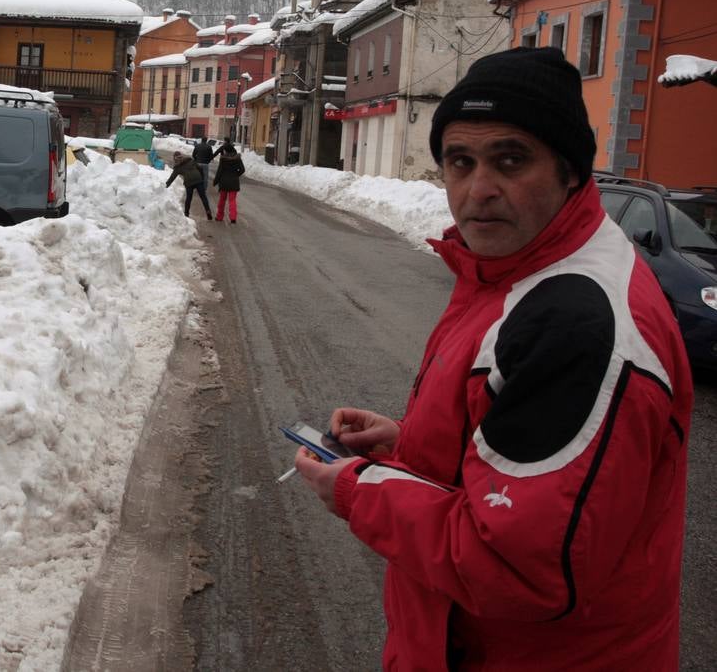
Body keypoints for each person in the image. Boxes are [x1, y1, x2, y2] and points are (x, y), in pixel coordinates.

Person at [292, 47, 692, 670]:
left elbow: (517, 565)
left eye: (511, 159)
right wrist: (408, 446)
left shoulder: (578, 321)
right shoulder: (519, 268)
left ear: (570, 171)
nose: (478, 190)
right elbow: (518, 455)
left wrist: (360, 487)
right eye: (460, 161)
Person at [164, 151, 212, 219]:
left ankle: (186, 214)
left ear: (174, 159)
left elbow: (172, 178)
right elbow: (200, 168)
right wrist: (201, 178)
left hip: (189, 182)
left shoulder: (177, 167)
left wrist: (165, 186)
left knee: (189, 198)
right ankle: (208, 211)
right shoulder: (190, 160)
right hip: (198, 179)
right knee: (203, 197)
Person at [212, 140, 245, 223]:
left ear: (226, 150)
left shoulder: (223, 159)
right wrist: (236, 175)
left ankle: (219, 217)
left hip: (224, 182)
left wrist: (215, 181)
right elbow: (242, 170)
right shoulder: (237, 159)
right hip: (234, 182)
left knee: (222, 200)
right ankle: (233, 218)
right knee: (232, 200)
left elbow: (219, 171)